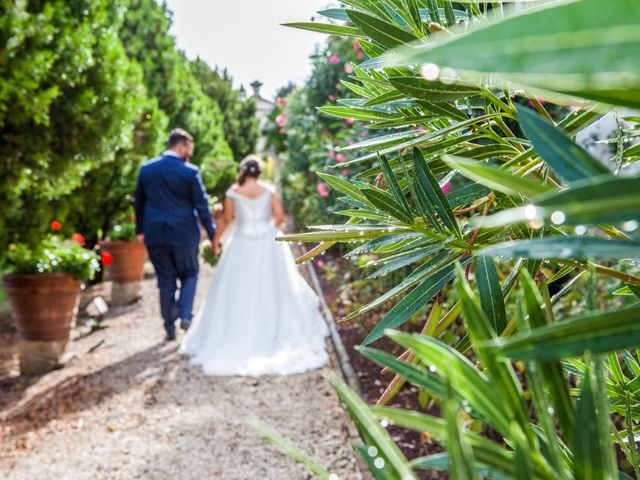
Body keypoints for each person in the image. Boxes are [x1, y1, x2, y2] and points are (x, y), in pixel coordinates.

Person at [180, 155, 328, 376]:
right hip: (269, 241)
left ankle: (235, 333)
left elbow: (227, 219)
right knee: (275, 286)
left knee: (237, 288)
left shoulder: (233, 192)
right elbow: (279, 218)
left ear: (243, 171)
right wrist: (266, 226)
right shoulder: (268, 191)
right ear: (258, 172)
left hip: (241, 243)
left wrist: (215, 240)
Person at [134, 129, 216, 341]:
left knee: (165, 280)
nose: (191, 152)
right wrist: (213, 233)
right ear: (181, 146)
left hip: (155, 234)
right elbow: (202, 206)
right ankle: (185, 314)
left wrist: (140, 231)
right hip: (184, 233)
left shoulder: (147, 169)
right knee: (190, 273)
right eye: (190, 148)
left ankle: (169, 325)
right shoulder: (190, 172)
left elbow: (139, 204)